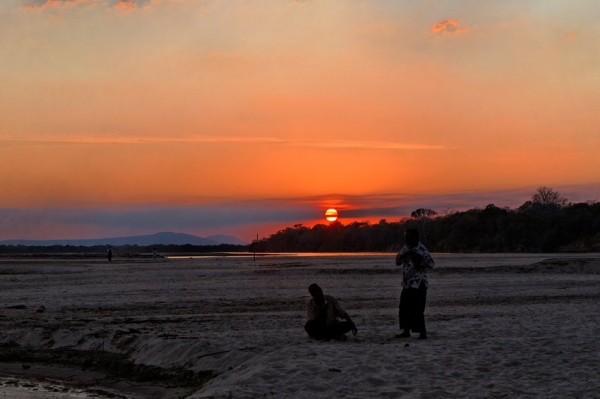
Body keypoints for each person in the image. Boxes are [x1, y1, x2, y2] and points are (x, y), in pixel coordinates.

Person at [395, 229, 434, 339]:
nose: (406, 239)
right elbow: (397, 261)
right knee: (403, 308)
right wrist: (406, 254)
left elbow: (431, 264)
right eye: (405, 237)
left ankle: (422, 333)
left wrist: (420, 260)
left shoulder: (422, 250)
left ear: (415, 238)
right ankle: (406, 331)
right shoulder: (406, 248)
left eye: (408, 237)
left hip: (419, 283)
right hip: (407, 283)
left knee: (418, 309)